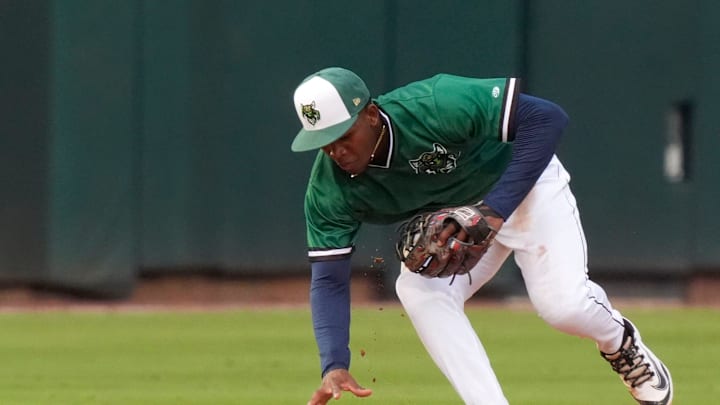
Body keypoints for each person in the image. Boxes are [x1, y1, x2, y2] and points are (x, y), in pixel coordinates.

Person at [290, 67, 673, 405]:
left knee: (564, 308)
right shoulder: (328, 190)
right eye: (322, 141)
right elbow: (329, 281)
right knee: (418, 289)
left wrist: (495, 210)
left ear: (371, 114)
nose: (335, 150)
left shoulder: (435, 104)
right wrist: (334, 363)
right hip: (458, 225)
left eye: (343, 135)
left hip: (523, 188)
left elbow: (547, 118)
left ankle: (620, 343)